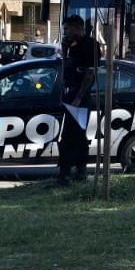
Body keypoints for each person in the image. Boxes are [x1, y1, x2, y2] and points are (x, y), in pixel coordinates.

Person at [56, 14, 99, 183]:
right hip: (70, 94)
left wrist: (79, 98)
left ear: (76, 27)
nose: (65, 32)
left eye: (67, 29)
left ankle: (72, 172)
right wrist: (65, 51)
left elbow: (89, 74)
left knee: (74, 135)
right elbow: (66, 68)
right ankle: (70, 171)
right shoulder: (71, 46)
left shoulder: (90, 45)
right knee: (71, 135)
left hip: (80, 97)